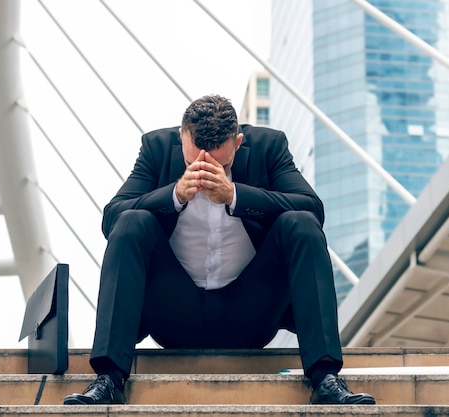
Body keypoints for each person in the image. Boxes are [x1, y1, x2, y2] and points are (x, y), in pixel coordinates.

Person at [64, 95, 376, 406]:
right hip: (175, 312)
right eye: (192, 163)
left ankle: (324, 378)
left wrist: (235, 195)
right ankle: (109, 378)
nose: (204, 171)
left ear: (238, 142)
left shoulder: (269, 146)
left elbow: (312, 208)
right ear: (181, 137)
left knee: (301, 223)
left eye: (221, 165)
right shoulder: (156, 149)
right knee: (131, 220)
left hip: (250, 311)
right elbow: (112, 218)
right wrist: (173, 195)